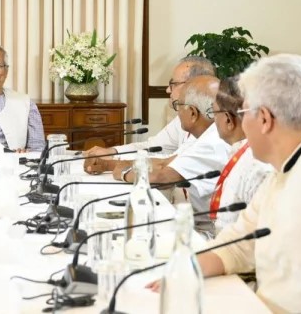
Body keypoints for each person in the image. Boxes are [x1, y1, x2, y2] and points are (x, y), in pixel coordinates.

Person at [149, 54, 301, 313]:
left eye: (243, 112)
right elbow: (238, 245)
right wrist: (184, 269)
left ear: (264, 118)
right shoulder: (282, 170)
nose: (241, 124)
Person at [108, 76, 231, 237]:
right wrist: (113, 163)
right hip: (198, 223)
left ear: (192, 113)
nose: (176, 112)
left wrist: (123, 172)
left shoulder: (212, 141)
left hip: (211, 235)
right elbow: (165, 162)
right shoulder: (203, 135)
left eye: (178, 106)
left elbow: (160, 174)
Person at [83, 55, 217, 172]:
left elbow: (168, 166)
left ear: (194, 85)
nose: (167, 90)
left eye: (173, 83)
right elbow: (153, 147)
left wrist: (110, 164)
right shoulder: (183, 118)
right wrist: (112, 152)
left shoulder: (210, 125)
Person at [206, 76, 273, 236]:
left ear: (228, 120)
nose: (214, 121)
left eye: (214, 113)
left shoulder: (257, 165)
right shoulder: (241, 153)